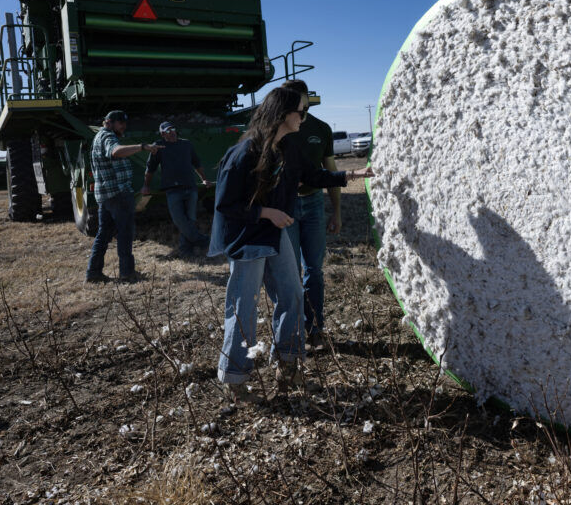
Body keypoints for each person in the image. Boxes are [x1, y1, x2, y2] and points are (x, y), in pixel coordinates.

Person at [209, 86, 374, 401]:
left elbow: (314, 176)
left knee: (293, 295)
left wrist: (355, 174)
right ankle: (234, 378)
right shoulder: (243, 153)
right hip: (247, 238)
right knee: (244, 306)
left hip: (273, 234)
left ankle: (287, 365)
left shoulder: (289, 148)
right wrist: (266, 212)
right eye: (301, 112)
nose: (304, 118)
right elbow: (225, 205)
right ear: (282, 114)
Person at [280, 79, 340, 346]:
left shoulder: (321, 129)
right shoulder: (279, 129)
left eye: (302, 103)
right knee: (290, 271)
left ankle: (316, 328)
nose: (299, 109)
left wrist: (336, 211)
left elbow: (330, 170)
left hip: (314, 204)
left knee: (314, 270)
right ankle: (292, 334)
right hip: (286, 207)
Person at [84, 110, 161, 284]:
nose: (124, 126)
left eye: (125, 123)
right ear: (109, 122)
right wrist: (142, 147)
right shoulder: (107, 136)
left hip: (106, 195)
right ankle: (127, 273)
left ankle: (93, 272)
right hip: (118, 194)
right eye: (121, 123)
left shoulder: (99, 136)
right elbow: (115, 151)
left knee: (103, 234)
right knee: (125, 233)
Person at [142, 121, 212, 257]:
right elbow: (150, 169)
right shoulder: (159, 147)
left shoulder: (186, 144)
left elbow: (197, 163)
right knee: (179, 220)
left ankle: (186, 251)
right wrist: (146, 185)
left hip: (190, 187)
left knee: (190, 220)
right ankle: (204, 241)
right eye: (168, 131)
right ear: (163, 134)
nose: (172, 132)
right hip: (173, 190)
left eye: (173, 129)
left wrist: (204, 179)